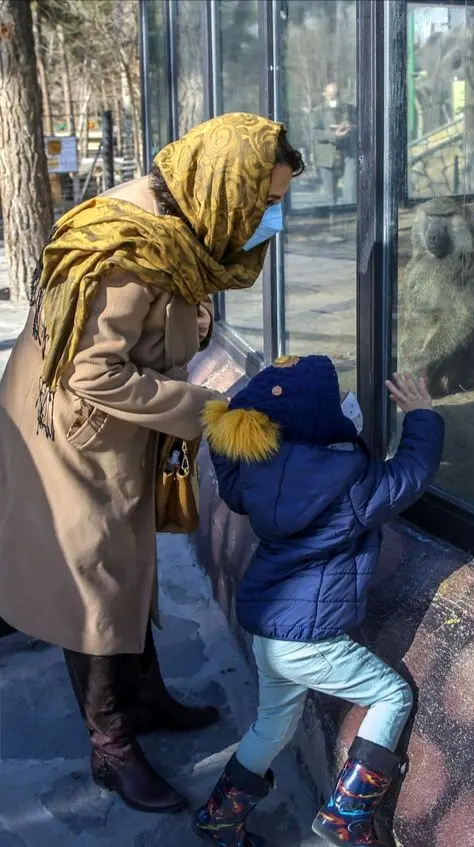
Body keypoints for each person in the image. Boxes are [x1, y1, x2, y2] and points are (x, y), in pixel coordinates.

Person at [0, 112, 304, 814]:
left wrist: (194, 325)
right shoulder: (129, 252)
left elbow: (161, 320)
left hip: (110, 426)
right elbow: (90, 371)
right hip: (71, 432)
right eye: (265, 200)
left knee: (127, 564)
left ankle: (144, 697)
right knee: (93, 584)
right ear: (226, 187)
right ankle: (111, 746)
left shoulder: (178, 224)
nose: (271, 216)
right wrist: (204, 409)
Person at [192, 359, 443, 846]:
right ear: (319, 417)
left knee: (272, 726)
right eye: (336, 398)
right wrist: (422, 416)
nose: (346, 402)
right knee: (392, 696)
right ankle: (346, 816)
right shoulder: (349, 482)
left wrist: (230, 426)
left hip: (268, 632)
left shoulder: (255, 475)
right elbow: (411, 474)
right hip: (308, 639)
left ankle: (218, 817)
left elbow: (229, 476)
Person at [312, 82, 358, 211]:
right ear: (325, 94)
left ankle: (350, 216)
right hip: (326, 156)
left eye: (336, 94)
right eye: (330, 94)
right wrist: (333, 135)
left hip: (348, 154)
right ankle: (332, 218)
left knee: (350, 190)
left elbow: (361, 126)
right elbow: (314, 134)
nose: (334, 97)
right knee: (330, 195)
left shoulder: (350, 109)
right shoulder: (317, 112)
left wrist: (350, 127)